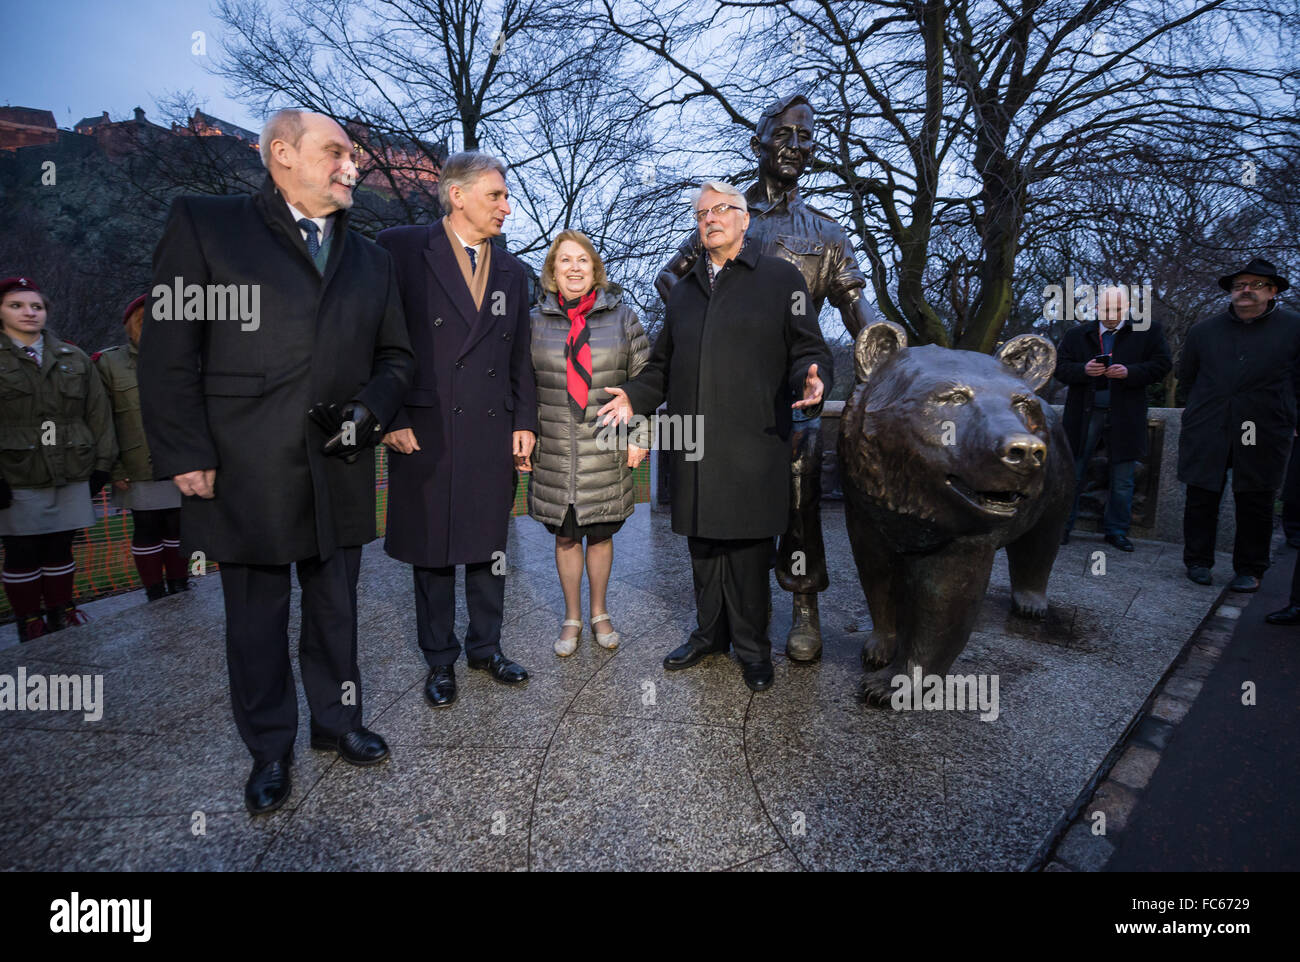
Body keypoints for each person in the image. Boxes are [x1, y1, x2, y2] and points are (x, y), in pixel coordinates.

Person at [138, 109, 414, 815]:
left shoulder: (373, 258)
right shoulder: (207, 223)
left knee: (336, 609)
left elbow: (397, 358)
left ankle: (337, 722)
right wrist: (186, 449)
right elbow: (171, 348)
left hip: (340, 462)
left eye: (353, 154)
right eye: (336, 151)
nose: (351, 165)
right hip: (244, 462)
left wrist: (371, 411)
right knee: (256, 618)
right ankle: (269, 747)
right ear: (282, 154)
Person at [654, 94, 878, 663]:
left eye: (806, 139)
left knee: (799, 502)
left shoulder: (825, 232)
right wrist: (712, 341)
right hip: (726, 400)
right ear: (758, 142)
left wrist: (882, 348)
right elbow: (671, 280)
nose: (797, 148)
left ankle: (804, 609)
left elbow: (859, 311)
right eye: (785, 135)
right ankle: (718, 626)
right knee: (715, 511)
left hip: (794, 396)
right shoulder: (724, 215)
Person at [599, 181, 832, 692]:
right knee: (703, 546)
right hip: (693, 441)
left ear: (745, 220)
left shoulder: (781, 279)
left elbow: (806, 350)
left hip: (753, 441)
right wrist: (633, 397)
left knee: (748, 552)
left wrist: (812, 378)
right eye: (703, 213)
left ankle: (753, 648)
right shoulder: (684, 292)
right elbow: (661, 366)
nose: (711, 218)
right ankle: (709, 636)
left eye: (723, 209)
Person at [377, 151, 538, 709]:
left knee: (488, 546)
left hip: (491, 430)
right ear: (457, 195)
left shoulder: (514, 272)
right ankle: (439, 660)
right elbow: (376, 340)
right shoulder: (401, 249)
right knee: (434, 549)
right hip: (426, 427)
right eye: (496, 196)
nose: (506, 208)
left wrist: (524, 423)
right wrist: (389, 417)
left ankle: (486, 647)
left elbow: (520, 359)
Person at [528, 230, 650, 655]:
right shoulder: (532, 322)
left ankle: (600, 612)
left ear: (594, 269)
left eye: (582, 260)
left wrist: (640, 436)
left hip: (606, 447)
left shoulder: (623, 318)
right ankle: (572, 617)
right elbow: (521, 388)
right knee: (564, 537)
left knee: (599, 534)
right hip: (555, 451)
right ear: (553, 271)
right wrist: (521, 438)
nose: (574, 268)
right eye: (565, 261)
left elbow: (645, 382)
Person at [0, 276, 116, 641]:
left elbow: (99, 413)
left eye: (36, 306)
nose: (29, 312)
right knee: (21, 549)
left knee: (59, 546)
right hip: (17, 471)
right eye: (16, 305)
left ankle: (60, 613)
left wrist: (103, 464)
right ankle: (28, 621)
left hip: (71, 467)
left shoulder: (74, 357)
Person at [1178, 258, 1300, 591]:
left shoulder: (1294, 328)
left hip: (1262, 426)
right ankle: (1198, 561)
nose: (1245, 290)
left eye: (1256, 284)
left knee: (1255, 499)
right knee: (1201, 494)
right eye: (1239, 285)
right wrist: (1199, 412)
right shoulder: (1205, 331)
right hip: (1210, 425)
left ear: (1273, 291)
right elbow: (1187, 378)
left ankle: (1250, 568)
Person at [1055, 285, 1172, 550]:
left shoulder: (1148, 331)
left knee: (1123, 478)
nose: (1111, 314)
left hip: (1126, 414)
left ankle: (1117, 531)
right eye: (1106, 308)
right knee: (1072, 473)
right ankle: (1062, 526)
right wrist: (1084, 370)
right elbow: (1060, 368)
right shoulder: (1077, 334)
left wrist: (1129, 372)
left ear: (1127, 308)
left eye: (1117, 309)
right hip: (1083, 415)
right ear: (1096, 307)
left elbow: (1162, 365)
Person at [93, 295, 188, 600]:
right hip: (135, 463)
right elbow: (102, 420)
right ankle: (154, 590)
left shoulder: (186, 358)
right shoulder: (109, 363)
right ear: (132, 325)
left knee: (179, 526)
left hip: (181, 461)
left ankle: (181, 584)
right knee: (147, 527)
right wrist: (113, 467)